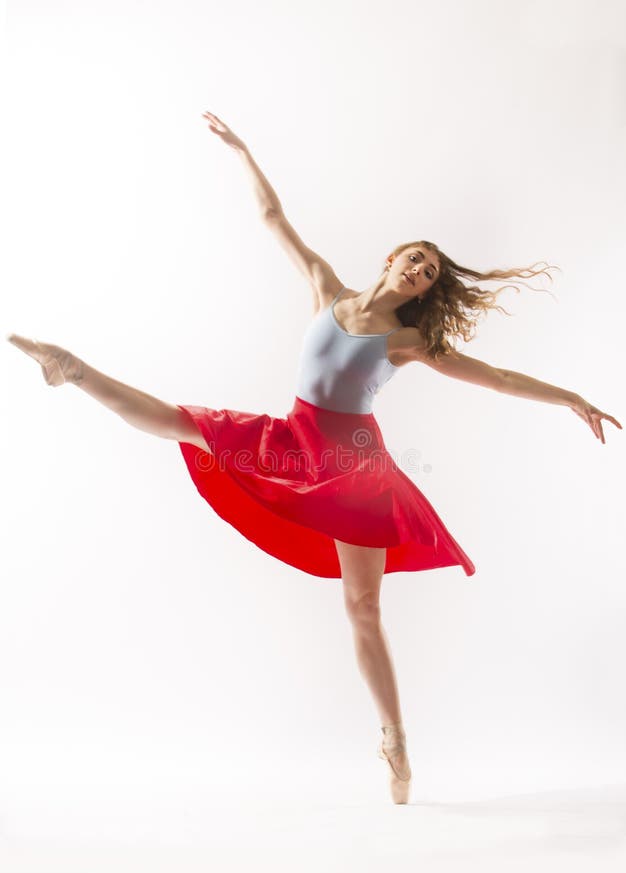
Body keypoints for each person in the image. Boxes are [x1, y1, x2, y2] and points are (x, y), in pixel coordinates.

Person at [7, 111, 622, 806]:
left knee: (361, 607)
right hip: (293, 437)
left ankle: (393, 738)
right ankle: (72, 369)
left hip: (355, 463)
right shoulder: (327, 289)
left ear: (423, 292)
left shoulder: (409, 342)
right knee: (183, 423)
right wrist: (243, 151)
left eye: (429, 274)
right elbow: (274, 219)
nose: (420, 272)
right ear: (393, 257)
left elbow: (500, 379)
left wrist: (573, 397)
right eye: (415, 258)